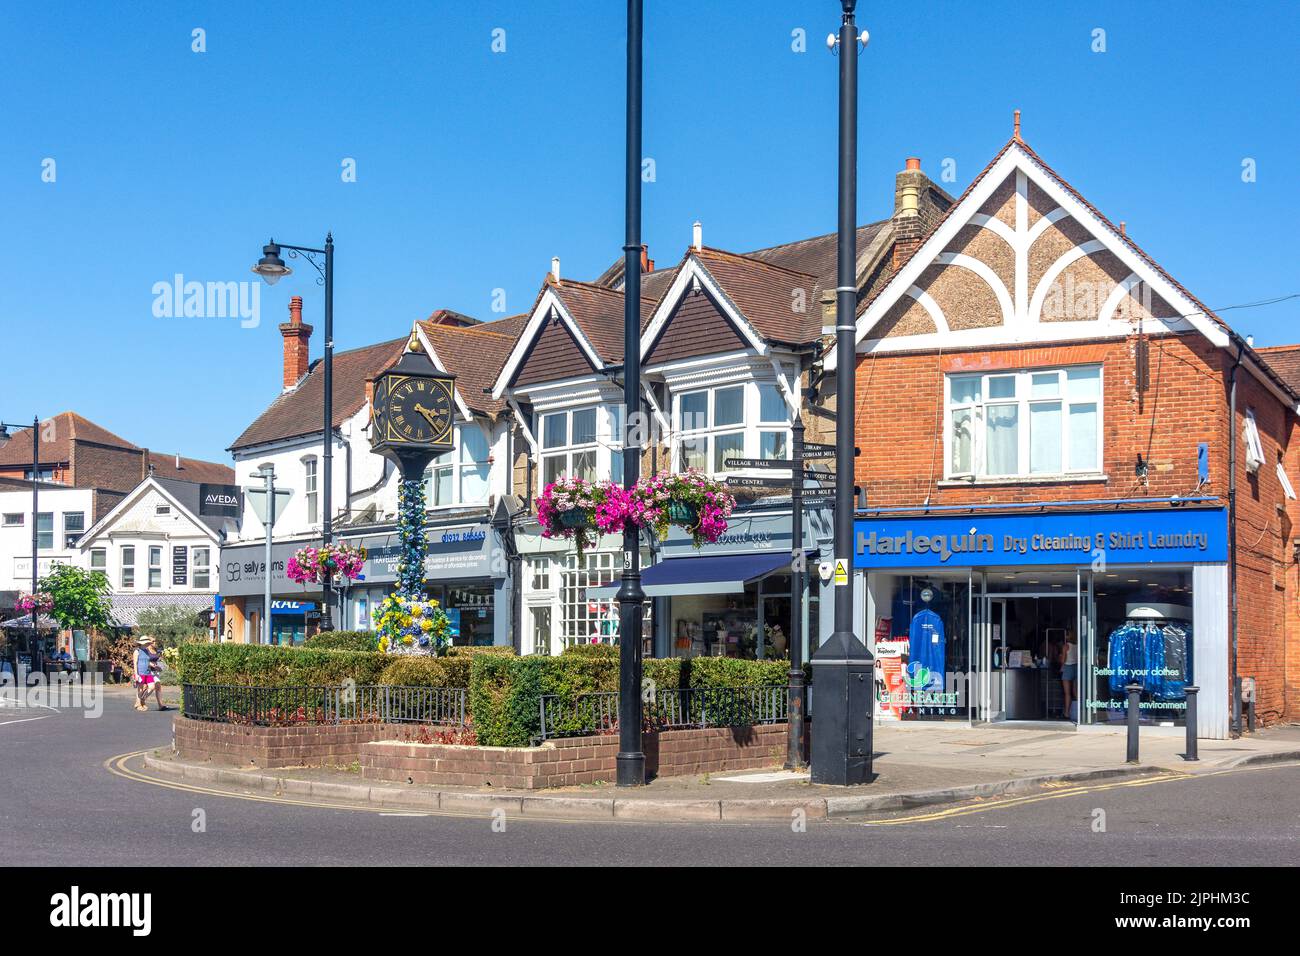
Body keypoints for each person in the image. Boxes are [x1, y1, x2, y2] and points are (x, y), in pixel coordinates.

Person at [134, 636, 170, 712]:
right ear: (142, 643)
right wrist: (136, 674)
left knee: (152, 686)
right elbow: (135, 663)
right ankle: (139, 704)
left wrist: (156, 666)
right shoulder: (137, 651)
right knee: (140, 689)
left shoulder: (147, 651)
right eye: (147, 643)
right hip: (140, 672)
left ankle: (142, 700)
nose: (148, 644)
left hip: (147, 672)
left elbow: (148, 661)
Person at [1060, 635, 1079, 722]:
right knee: (1075, 693)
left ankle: (1067, 713)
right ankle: (1079, 712)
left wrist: (1061, 664)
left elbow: (1063, 660)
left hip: (1067, 667)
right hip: (1076, 667)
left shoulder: (1066, 646)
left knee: (1067, 693)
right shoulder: (1077, 645)